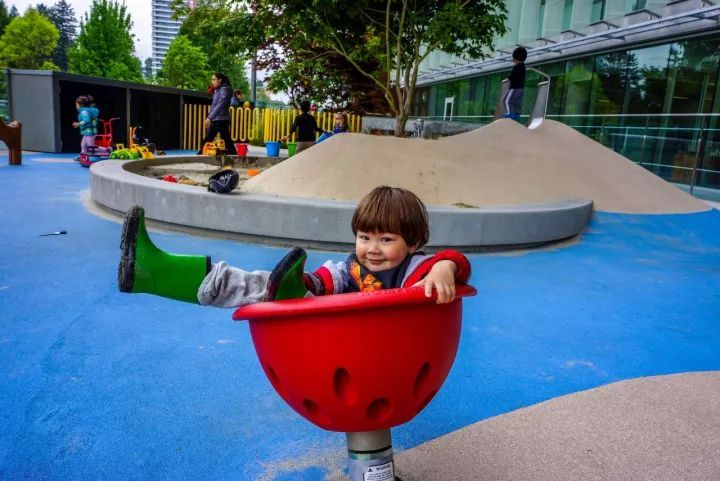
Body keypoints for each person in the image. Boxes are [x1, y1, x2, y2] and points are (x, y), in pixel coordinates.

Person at [118, 186, 471, 307]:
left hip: (371, 347)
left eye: (386, 239)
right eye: (364, 237)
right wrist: (303, 284)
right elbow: (322, 281)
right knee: (261, 286)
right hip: (330, 332)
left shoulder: (415, 270)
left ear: (413, 244)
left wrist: (444, 268)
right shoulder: (348, 269)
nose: (372, 249)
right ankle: (156, 273)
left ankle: (155, 273)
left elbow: (454, 261)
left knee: (274, 291)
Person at [198, 72, 238, 156]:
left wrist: (210, 118)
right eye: (212, 80)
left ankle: (235, 157)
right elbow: (214, 106)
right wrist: (210, 117)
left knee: (226, 141)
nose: (212, 82)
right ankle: (201, 154)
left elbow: (221, 104)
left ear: (220, 80)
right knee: (208, 139)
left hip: (222, 119)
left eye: (214, 79)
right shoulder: (219, 90)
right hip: (216, 119)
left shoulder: (224, 90)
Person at [503, 47, 527, 121]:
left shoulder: (516, 67)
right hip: (521, 89)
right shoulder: (523, 67)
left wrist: (508, 76)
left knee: (506, 100)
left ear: (515, 58)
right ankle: (517, 115)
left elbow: (511, 77)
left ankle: (510, 114)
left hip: (514, 88)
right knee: (517, 102)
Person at [72, 95, 99, 161]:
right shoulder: (85, 111)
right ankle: (82, 156)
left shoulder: (84, 112)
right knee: (83, 145)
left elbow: (86, 120)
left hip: (90, 132)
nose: (76, 106)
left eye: (77, 105)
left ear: (80, 105)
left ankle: (107, 150)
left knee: (90, 146)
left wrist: (78, 124)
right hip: (87, 132)